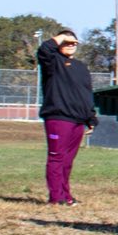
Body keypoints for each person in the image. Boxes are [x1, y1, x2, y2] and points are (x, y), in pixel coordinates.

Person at [36, 29, 95, 206]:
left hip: (77, 120)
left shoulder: (81, 67)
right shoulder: (52, 62)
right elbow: (44, 50)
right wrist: (61, 37)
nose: (70, 46)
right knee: (56, 157)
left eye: (74, 43)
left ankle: (66, 195)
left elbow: (86, 93)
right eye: (66, 42)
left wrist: (90, 118)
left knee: (68, 161)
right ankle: (56, 197)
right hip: (58, 118)